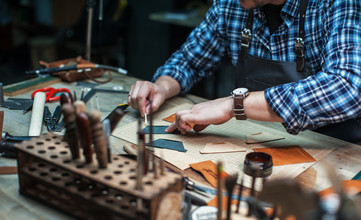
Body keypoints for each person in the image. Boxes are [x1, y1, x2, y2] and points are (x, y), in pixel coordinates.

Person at [128, 0, 361, 144]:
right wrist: (162, 85)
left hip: (329, 147)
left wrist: (234, 105)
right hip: (252, 141)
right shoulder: (229, 6)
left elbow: (349, 87)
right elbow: (188, 62)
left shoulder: (336, 4)